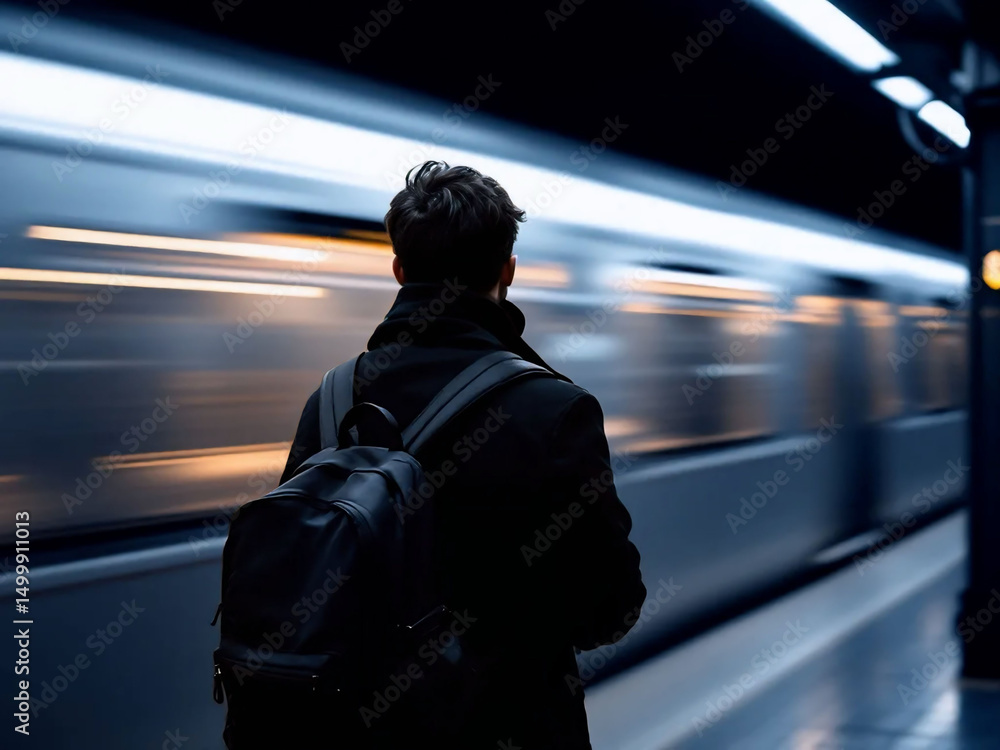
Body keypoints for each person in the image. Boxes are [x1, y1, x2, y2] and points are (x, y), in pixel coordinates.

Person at [279, 160, 646, 749]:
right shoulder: (556, 410)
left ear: (399, 269)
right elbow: (609, 608)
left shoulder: (331, 399)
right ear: (508, 270)